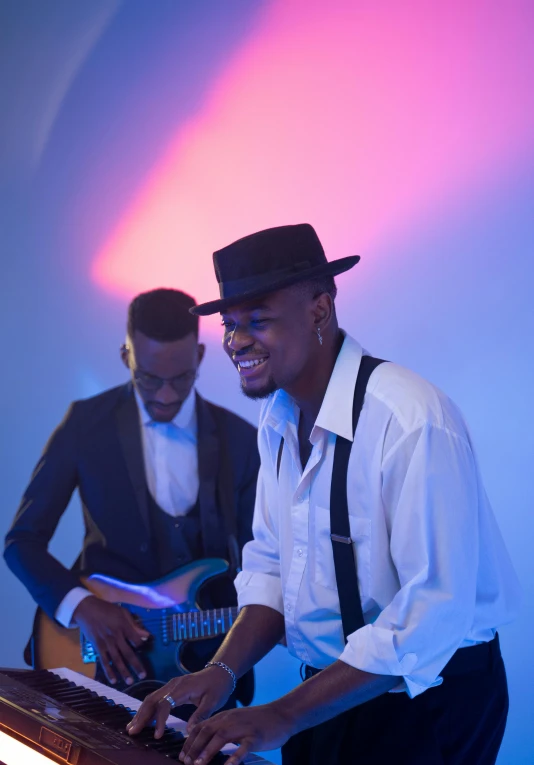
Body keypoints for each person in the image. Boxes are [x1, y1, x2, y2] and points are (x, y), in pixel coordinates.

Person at [126, 226, 521, 765]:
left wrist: (284, 714)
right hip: (325, 699)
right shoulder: (278, 418)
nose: (236, 341)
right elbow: (270, 568)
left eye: (257, 320)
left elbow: (429, 615)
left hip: (425, 702)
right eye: (230, 324)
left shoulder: (410, 420)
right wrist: (219, 672)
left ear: (319, 310)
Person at [4, 288, 259, 710]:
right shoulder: (85, 424)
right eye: (148, 379)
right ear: (127, 357)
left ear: (198, 356)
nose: (164, 395)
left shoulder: (242, 440)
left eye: (179, 379)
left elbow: (263, 563)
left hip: (206, 678)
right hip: (99, 670)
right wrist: (82, 606)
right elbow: (21, 543)